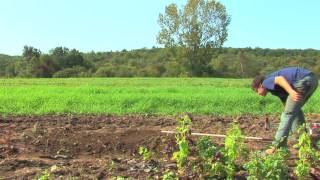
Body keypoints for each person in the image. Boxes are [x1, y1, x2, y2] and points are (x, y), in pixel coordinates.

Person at [251, 67, 318, 154]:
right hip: (312, 79)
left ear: (260, 86)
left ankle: (276, 147)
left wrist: (291, 92)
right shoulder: (274, 90)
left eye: (257, 91)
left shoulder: (265, 82)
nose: (259, 94)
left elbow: (280, 79)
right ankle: (303, 141)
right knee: (295, 112)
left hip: (303, 80)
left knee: (287, 115)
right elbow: (286, 102)